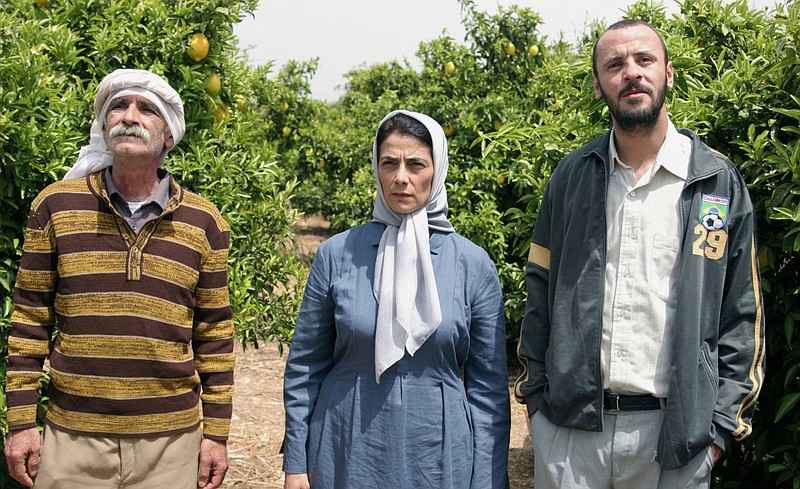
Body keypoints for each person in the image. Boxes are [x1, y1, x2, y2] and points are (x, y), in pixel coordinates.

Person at [513, 20, 765, 489]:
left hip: (677, 438)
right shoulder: (571, 177)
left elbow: (740, 311)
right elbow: (539, 290)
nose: (631, 72)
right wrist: (537, 403)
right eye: (615, 65)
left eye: (644, 60)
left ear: (668, 72)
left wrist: (719, 428)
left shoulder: (714, 181)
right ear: (598, 85)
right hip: (571, 434)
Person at [3, 69, 234, 489]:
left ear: (168, 135)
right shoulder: (56, 206)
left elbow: (215, 334)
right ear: (103, 125)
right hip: (72, 439)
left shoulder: (204, 222)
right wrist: (20, 423)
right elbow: (29, 320)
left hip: (171, 444)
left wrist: (216, 435)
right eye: (118, 107)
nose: (130, 116)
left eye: (147, 109)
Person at [282, 110, 510, 489]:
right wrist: (295, 464)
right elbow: (305, 369)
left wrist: (488, 481)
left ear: (438, 170)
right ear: (377, 168)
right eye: (389, 163)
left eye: (416, 164)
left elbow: (488, 391)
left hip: (439, 453)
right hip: (345, 444)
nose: (401, 177)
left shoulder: (472, 264)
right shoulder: (337, 255)